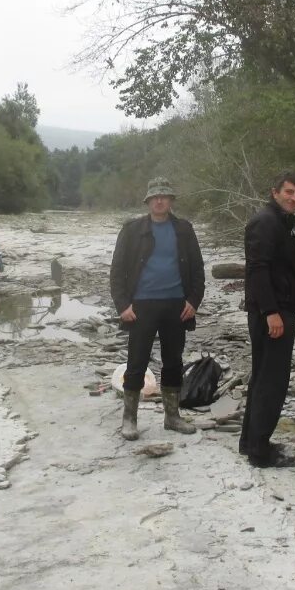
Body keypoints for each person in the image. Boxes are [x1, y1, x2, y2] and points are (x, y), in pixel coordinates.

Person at [109, 176, 205, 440]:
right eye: (155, 197)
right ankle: (129, 419)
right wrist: (122, 305)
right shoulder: (131, 230)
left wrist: (193, 302)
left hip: (177, 306)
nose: (160, 200)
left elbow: (197, 270)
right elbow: (116, 272)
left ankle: (172, 417)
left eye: (164, 196)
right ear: (148, 201)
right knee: (136, 362)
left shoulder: (184, 229)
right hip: (141, 306)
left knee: (173, 362)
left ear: (171, 200)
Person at [238, 172, 295, 468]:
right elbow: (257, 269)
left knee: (263, 378)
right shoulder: (265, 222)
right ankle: (260, 452)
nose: (294, 198)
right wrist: (271, 313)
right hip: (273, 313)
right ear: (275, 192)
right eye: (289, 192)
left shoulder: (279, 222)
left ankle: (250, 442)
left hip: (278, 309)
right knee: (272, 381)